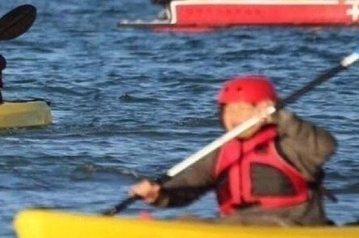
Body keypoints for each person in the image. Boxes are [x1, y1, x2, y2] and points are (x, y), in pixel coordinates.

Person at [125, 76, 335, 226]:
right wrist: (160, 194)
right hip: (236, 225)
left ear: (265, 111)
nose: (233, 117)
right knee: (187, 222)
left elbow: (325, 146)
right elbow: (190, 184)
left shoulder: (289, 144)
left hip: (290, 226)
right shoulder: (220, 152)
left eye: (243, 109)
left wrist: (282, 117)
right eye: (228, 110)